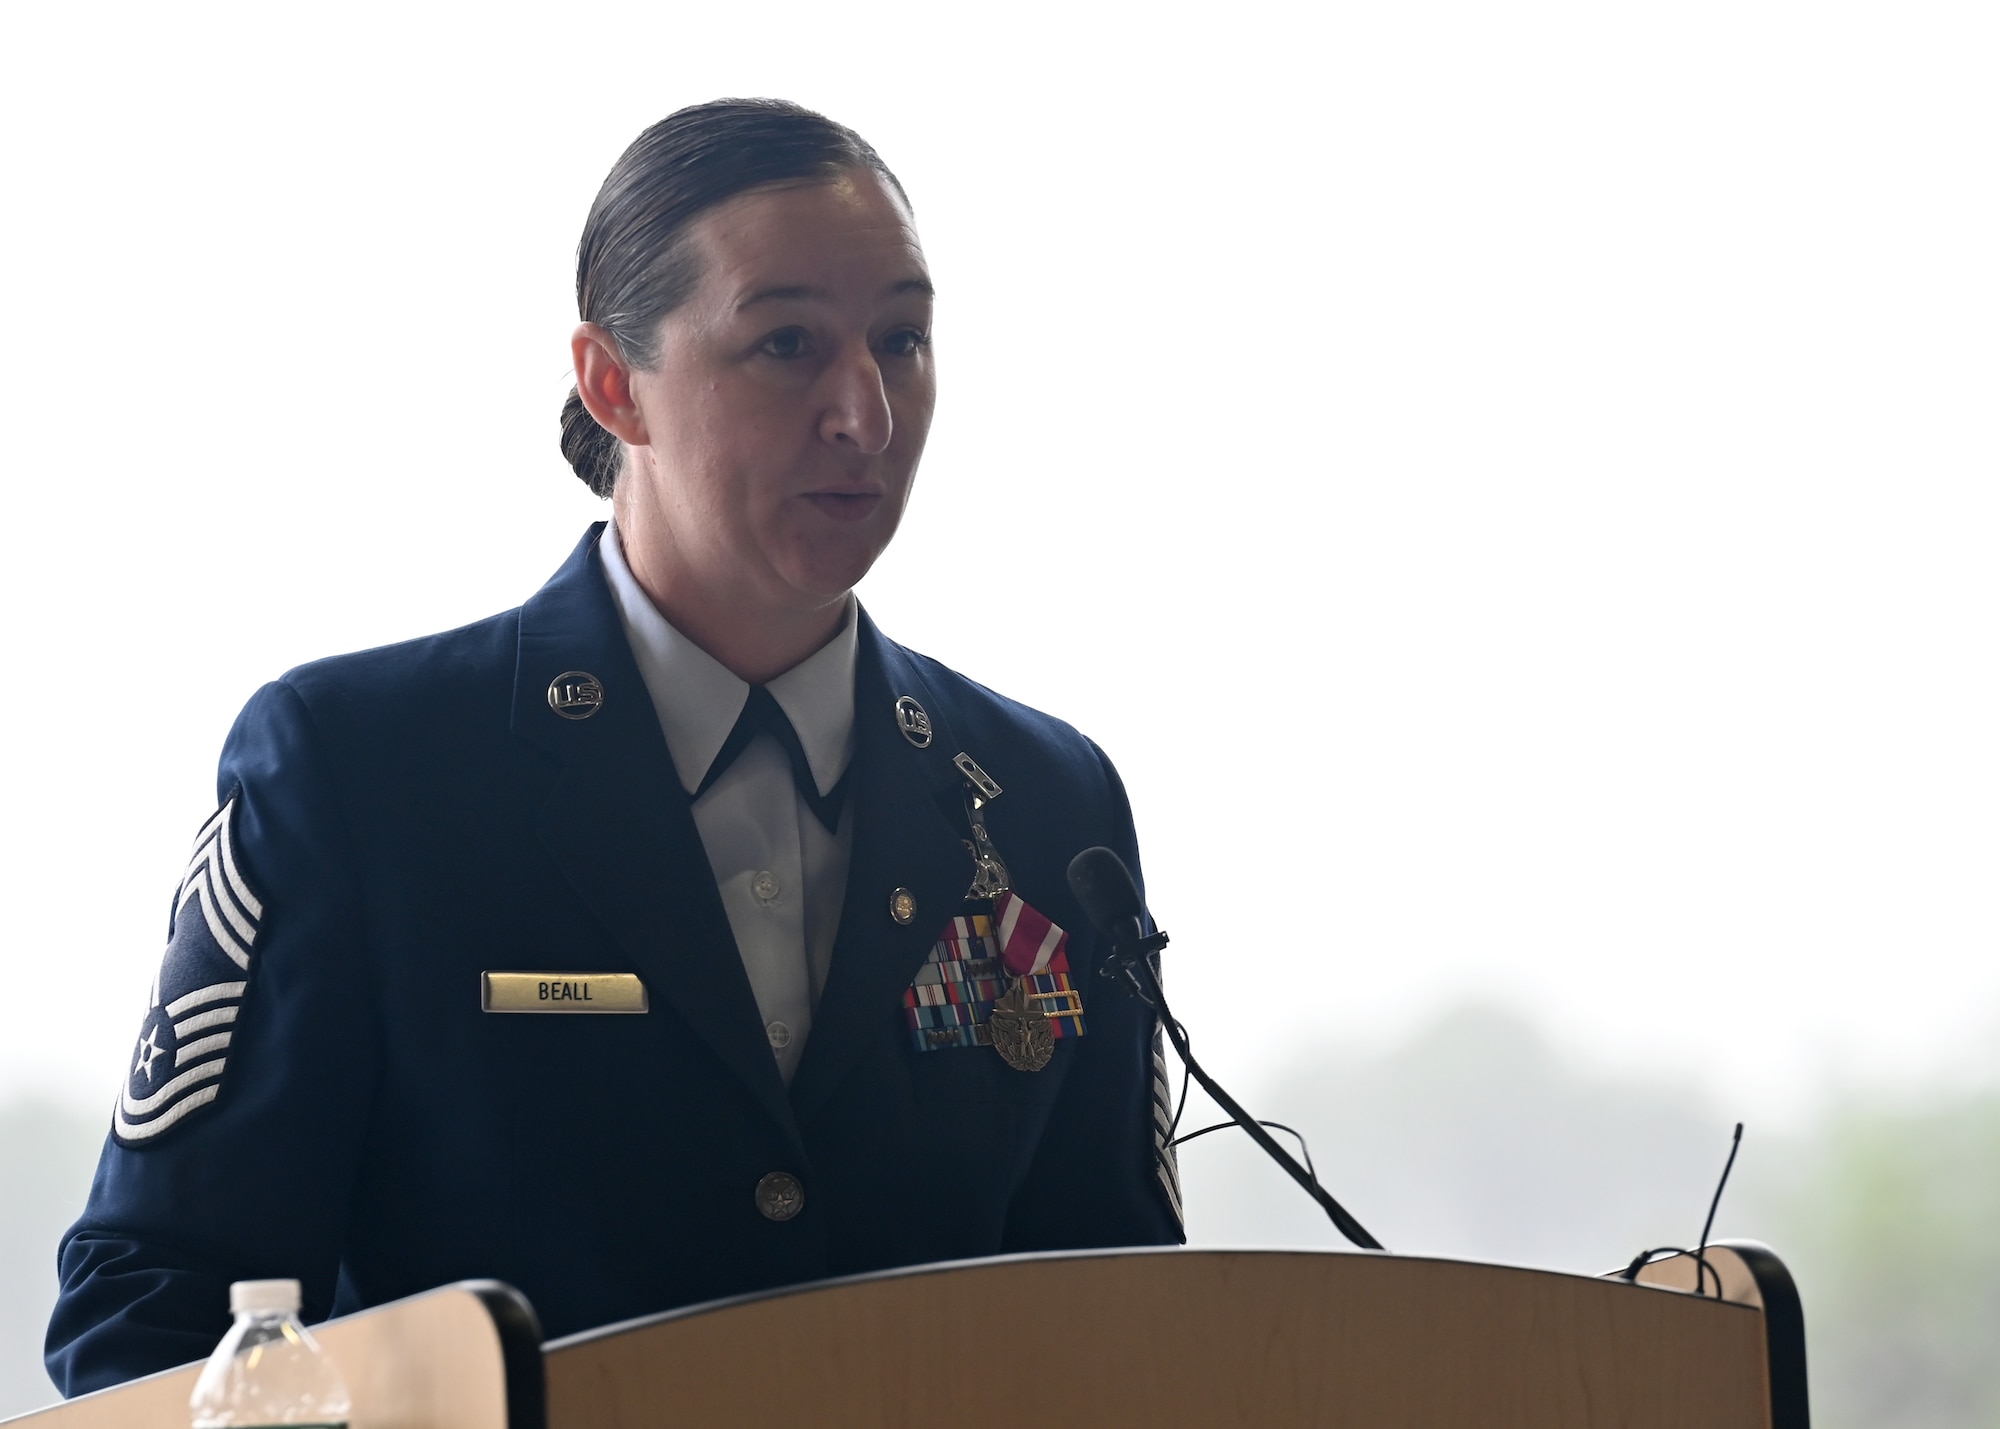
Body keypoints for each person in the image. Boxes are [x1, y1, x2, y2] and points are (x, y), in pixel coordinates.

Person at [47, 98, 1183, 1395]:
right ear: (611, 382)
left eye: (903, 340)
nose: (865, 411)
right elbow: (153, 1326)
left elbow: (1126, 1329)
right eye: (789, 344)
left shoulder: (1047, 805)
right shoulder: (359, 776)